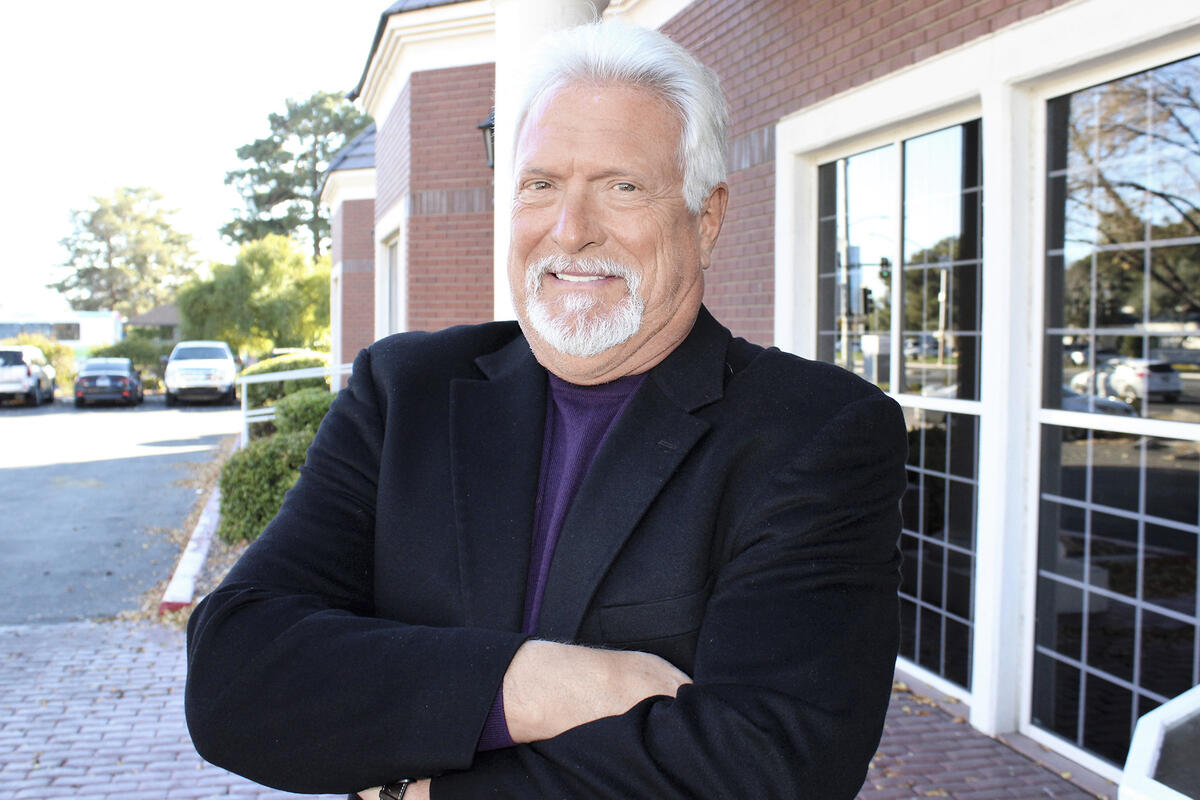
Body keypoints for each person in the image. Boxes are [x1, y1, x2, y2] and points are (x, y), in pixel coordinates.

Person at [185, 20, 907, 800]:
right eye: (540, 185)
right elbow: (235, 673)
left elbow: (771, 764)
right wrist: (539, 684)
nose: (570, 230)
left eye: (621, 186)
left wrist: (420, 789)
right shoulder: (406, 393)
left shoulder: (812, 432)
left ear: (706, 220)